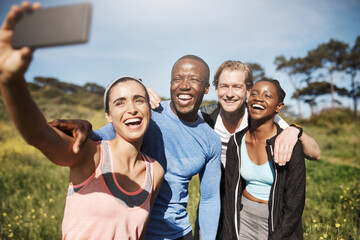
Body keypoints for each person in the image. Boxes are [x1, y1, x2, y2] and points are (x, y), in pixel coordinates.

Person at [0, 3, 164, 240]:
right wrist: (10, 81)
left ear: (148, 107)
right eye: (120, 103)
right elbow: (40, 136)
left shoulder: (154, 171)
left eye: (139, 100)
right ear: (108, 115)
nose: (132, 110)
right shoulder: (90, 154)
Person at [51, 55, 222, 239]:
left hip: (179, 233)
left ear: (206, 89)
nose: (185, 85)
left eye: (194, 79)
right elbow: (99, 139)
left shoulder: (210, 140)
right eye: (178, 78)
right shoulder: (148, 114)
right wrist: (84, 126)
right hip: (134, 231)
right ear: (170, 83)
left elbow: (209, 199)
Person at [148, 60, 320, 238]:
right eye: (224, 86)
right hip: (216, 197)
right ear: (214, 89)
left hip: (249, 202)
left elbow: (315, 153)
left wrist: (295, 130)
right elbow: (175, 113)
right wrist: (140, 94)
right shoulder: (205, 118)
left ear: (248, 91)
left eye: (237, 87)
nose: (229, 94)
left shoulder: (260, 115)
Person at [223, 78, 306, 239]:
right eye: (254, 94)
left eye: (267, 96)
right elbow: (230, 193)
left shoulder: (290, 144)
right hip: (244, 217)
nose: (259, 98)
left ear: (279, 107)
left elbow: (295, 203)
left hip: (277, 222)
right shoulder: (236, 142)